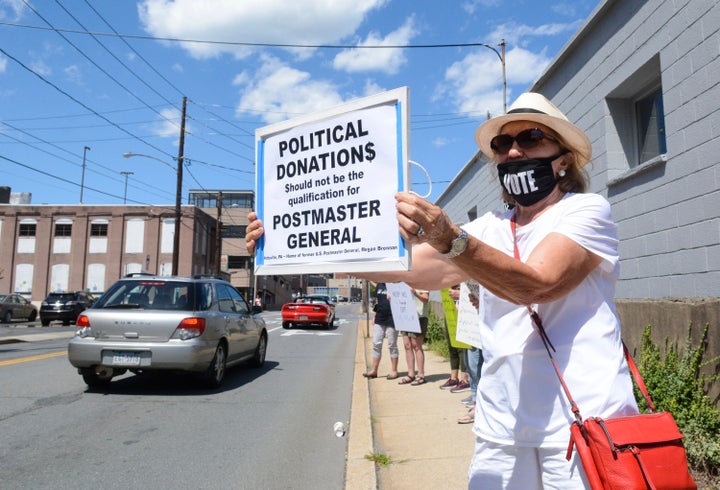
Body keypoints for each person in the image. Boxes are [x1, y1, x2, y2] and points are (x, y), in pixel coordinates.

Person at [245, 92, 639, 488]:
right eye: (503, 143)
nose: (515, 151)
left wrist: (450, 238)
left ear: (564, 159)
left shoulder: (585, 211)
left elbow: (538, 283)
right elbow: (410, 269)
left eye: (532, 137)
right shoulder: (489, 228)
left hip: (583, 424)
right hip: (501, 428)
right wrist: (296, 248)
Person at [362, 282, 399, 380]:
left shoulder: (396, 284)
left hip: (393, 318)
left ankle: (394, 370)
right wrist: (374, 316)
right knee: (376, 343)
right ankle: (374, 370)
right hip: (380, 317)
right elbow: (377, 302)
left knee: (392, 344)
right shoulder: (379, 285)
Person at [397, 287, 429, 386]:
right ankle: (411, 374)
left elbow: (425, 299)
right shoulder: (403, 282)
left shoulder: (423, 282)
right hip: (405, 315)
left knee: (416, 345)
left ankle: (421, 375)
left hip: (419, 316)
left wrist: (415, 293)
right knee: (407, 345)